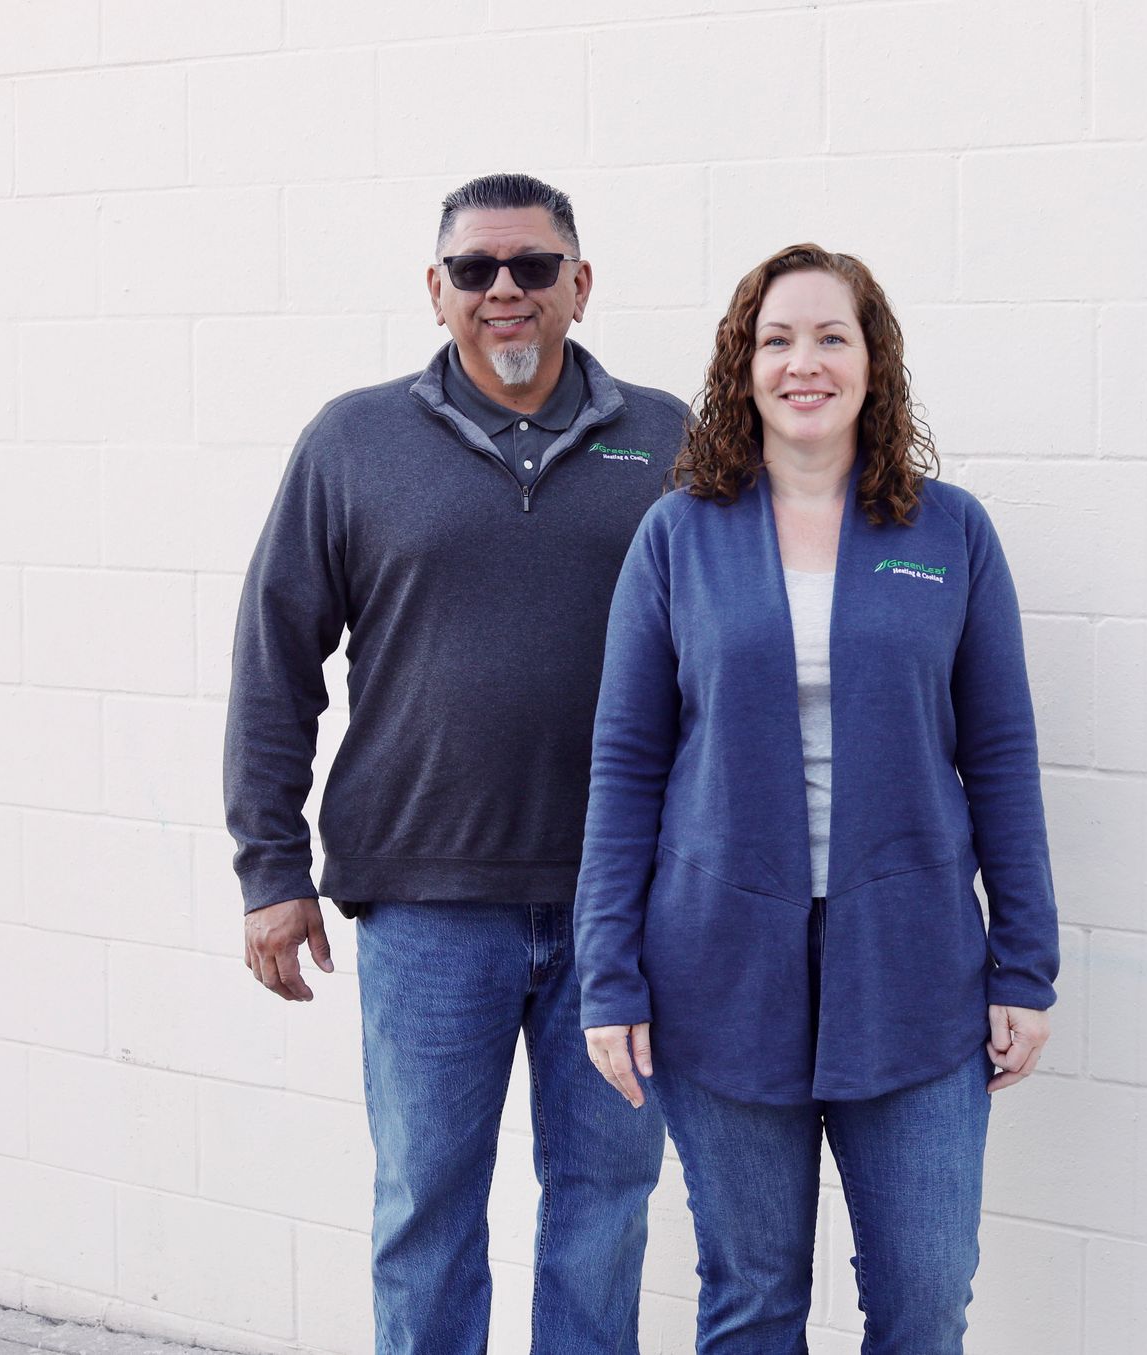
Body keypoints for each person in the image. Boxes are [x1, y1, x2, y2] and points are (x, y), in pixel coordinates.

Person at [224, 173, 688, 1355]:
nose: (505, 291)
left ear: (580, 286)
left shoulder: (668, 439)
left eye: (533, 266)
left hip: (619, 914)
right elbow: (277, 654)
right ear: (435, 291)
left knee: (604, 1209)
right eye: (475, 269)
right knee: (425, 1215)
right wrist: (270, 868)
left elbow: (728, 661)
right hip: (426, 908)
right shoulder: (351, 441)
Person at [574, 243, 1060, 1353]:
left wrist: (1025, 960)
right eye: (777, 338)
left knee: (927, 1299)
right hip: (718, 974)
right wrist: (611, 974)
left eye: (831, 336)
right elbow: (625, 763)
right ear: (742, 366)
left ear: (873, 362)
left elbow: (1001, 754)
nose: (805, 361)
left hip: (915, 970)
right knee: (750, 1299)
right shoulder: (678, 536)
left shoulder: (951, 533)